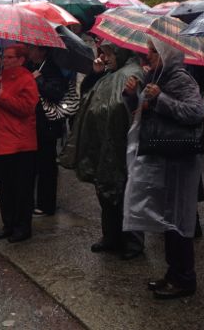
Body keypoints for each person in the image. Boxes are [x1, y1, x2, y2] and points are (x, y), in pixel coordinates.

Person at [122, 38, 204, 299]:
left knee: (178, 219)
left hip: (178, 157)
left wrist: (160, 99)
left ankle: (184, 278)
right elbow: (142, 111)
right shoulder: (157, 75)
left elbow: (195, 112)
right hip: (163, 154)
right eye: (148, 51)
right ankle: (173, 274)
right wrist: (132, 95)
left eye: (155, 52)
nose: (149, 57)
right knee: (168, 217)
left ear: (168, 53)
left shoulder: (180, 78)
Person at [73, 41, 145, 260]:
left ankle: (132, 241)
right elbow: (87, 96)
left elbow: (134, 107)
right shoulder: (111, 73)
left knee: (126, 193)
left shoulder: (131, 73)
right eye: (103, 54)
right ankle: (111, 236)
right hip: (105, 142)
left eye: (108, 53)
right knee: (106, 190)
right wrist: (95, 75)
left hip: (123, 143)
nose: (105, 58)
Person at [0, 44, 39, 243]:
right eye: (5, 56)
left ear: (21, 60)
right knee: (5, 188)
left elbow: (26, 108)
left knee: (21, 189)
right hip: (1, 143)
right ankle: (9, 224)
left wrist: (1, 96)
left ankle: (22, 227)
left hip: (20, 145)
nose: (6, 59)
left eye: (11, 57)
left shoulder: (27, 79)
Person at [26, 45, 67, 216]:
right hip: (33, 124)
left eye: (33, 49)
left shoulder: (52, 69)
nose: (30, 51)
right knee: (33, 165)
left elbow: (56, 93)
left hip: (48, 125)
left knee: (47, 166)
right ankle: (33, 200)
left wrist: (38, 81)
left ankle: (46, 204)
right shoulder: (30, 66)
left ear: (42, 51)